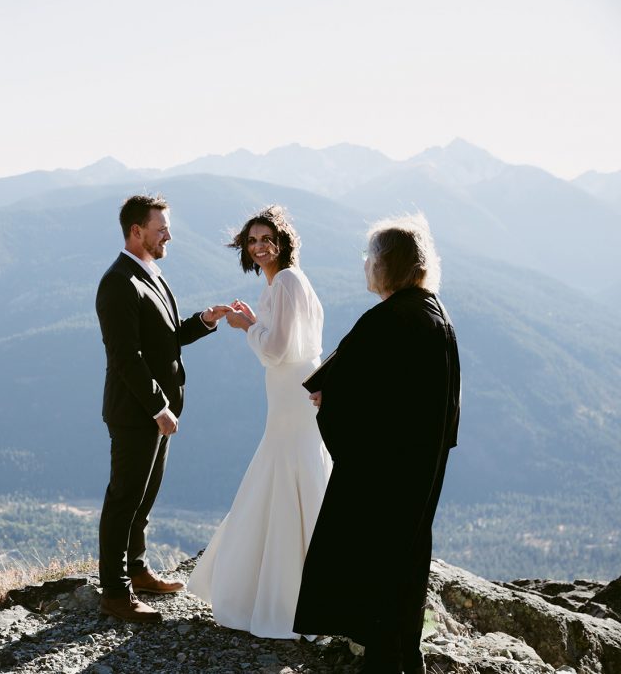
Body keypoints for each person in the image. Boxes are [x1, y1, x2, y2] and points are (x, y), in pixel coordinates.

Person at [293, 213, 461, 674]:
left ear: (389, 264)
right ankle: (403, 657)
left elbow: (349, 392)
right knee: (404, 574)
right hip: (417, 471)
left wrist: (330, 400)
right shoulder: (432, 313)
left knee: (377, 575)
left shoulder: (390, 318)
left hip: (384, 475)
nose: (365, 264)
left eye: (371, 257)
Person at [186, 205, 333, 638]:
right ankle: (311, 584)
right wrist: (255, 321)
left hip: (289, 394)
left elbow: (276, 350)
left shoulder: (286, 281)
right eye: (252, 241)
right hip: (297, 392)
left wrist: (244, 326)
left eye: (266, 238)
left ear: (283, 240)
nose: (259, 246)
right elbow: (292, 342)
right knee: (302, 472)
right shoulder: (291, 283)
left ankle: (272, 594)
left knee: (283, 471)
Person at [96, 194, 233, 623]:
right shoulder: (118, 282)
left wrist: (204, 321)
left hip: (155, 415)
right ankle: (116, 592)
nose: (169, 235)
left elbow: (164, 339)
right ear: (136, 231)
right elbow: (126, 357)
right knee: (124, 498)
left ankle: (137, 570)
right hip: (137, 413)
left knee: (144, 498)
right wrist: (158, 407)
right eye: (161, 229)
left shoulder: (149, 275)